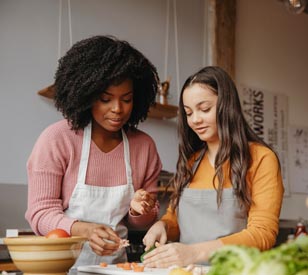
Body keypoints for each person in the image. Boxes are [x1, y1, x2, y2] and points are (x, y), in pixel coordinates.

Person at [25, 35, 162, 266]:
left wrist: (141, 210)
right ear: (86, 95)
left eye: (126, 99)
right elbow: (40, 213)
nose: (117, 109)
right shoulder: (57, 139)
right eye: (105, 99)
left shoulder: (143, 146)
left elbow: (142, 223)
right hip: (63, 268)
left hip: (117, 268)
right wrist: (83, 230)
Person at [142, 66, 284, 267]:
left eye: (205, 109)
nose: (195, 120)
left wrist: (194, 252)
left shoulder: (261, 158)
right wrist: (163, 225)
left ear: (227, 105)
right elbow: (175, 218)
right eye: (189, 113)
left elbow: (262, 234)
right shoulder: (191, 162)